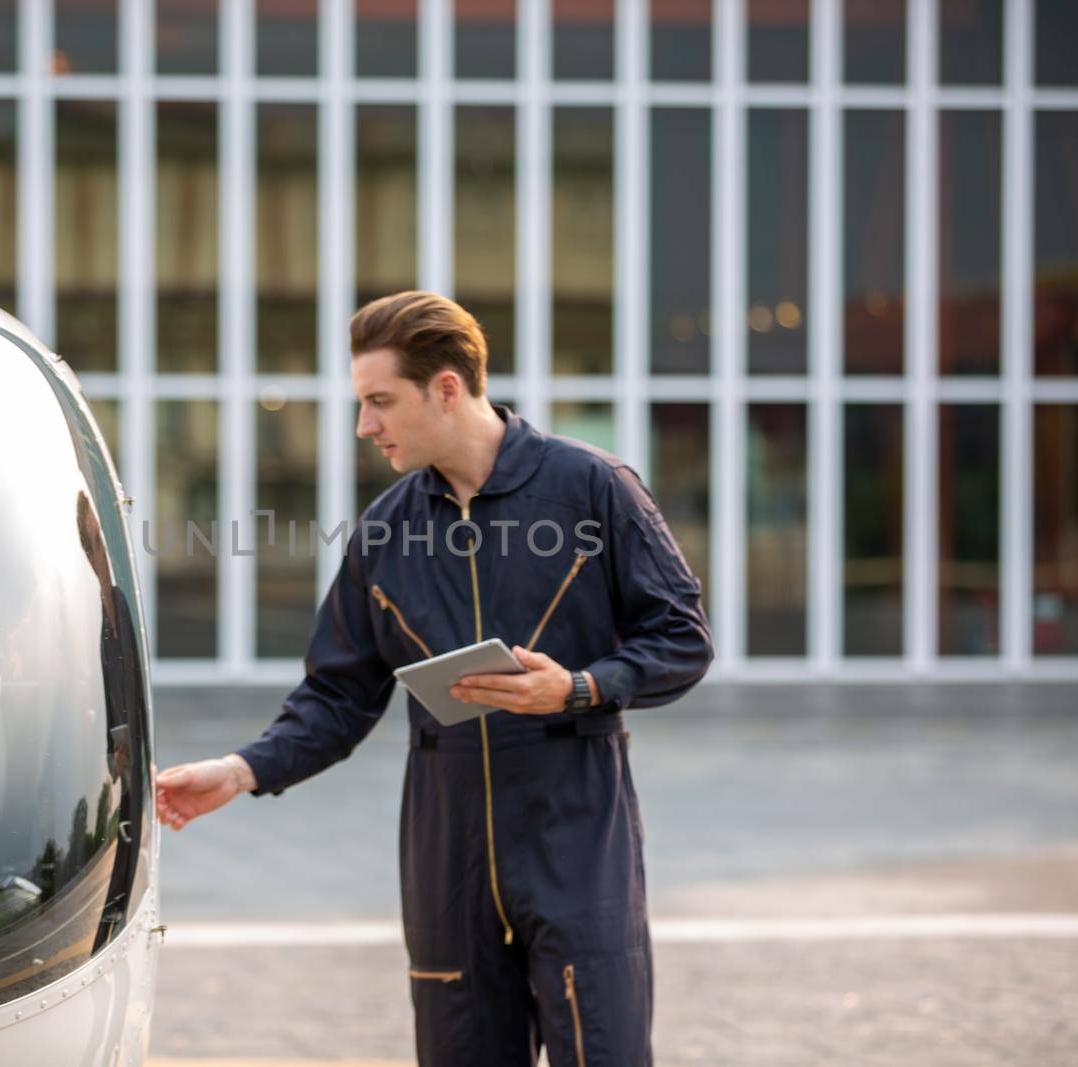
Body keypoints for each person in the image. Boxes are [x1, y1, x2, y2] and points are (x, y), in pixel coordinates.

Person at [155, 291, 713, 1066]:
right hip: (447, 857)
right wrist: (244, 769)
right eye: (362, 403)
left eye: (381, 401)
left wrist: (580, 686)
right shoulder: (383, 533)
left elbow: (682, 637)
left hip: (577, 837)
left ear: (446, 387)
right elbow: (337, 695)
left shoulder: (591, 489)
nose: (365, 426)